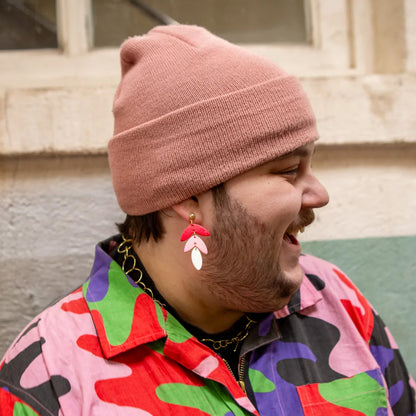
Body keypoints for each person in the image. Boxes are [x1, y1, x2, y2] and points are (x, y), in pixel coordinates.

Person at [0, 25, 414, 416]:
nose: (319, 195)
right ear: (189, 197)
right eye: (288, 170)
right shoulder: (49, 376)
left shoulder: (336, 304)